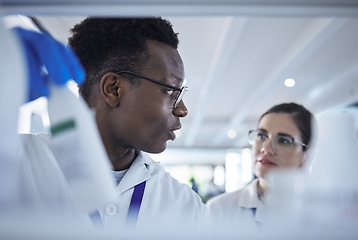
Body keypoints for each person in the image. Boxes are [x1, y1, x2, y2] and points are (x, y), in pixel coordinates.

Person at [67, 17, 208, 229]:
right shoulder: (20, 168)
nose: (182, 110)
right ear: (114, 89)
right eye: (171, 90)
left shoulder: (185, 205)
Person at [206, 102, 315, 229]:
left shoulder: (324, 213)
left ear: (306, 156)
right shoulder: (219, 209)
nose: (266, 149)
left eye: (283, 141)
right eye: (261, 136)